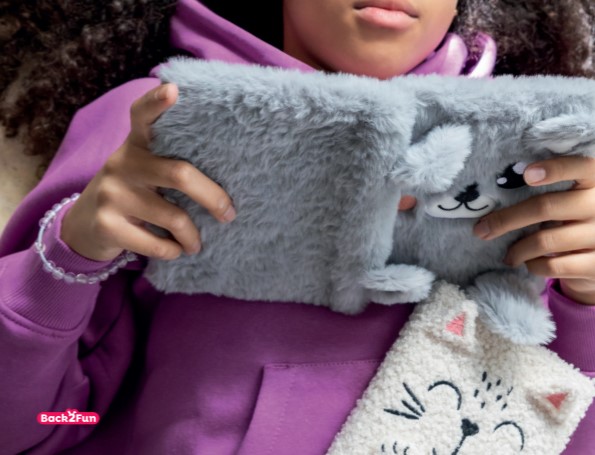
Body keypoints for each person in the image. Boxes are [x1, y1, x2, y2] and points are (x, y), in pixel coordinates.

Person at [0, 0, 594, 454]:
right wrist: (65, 258)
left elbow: (559, 430)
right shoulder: (150, 126)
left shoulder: (558, 152)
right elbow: (44, 425)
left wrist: (586, 305)